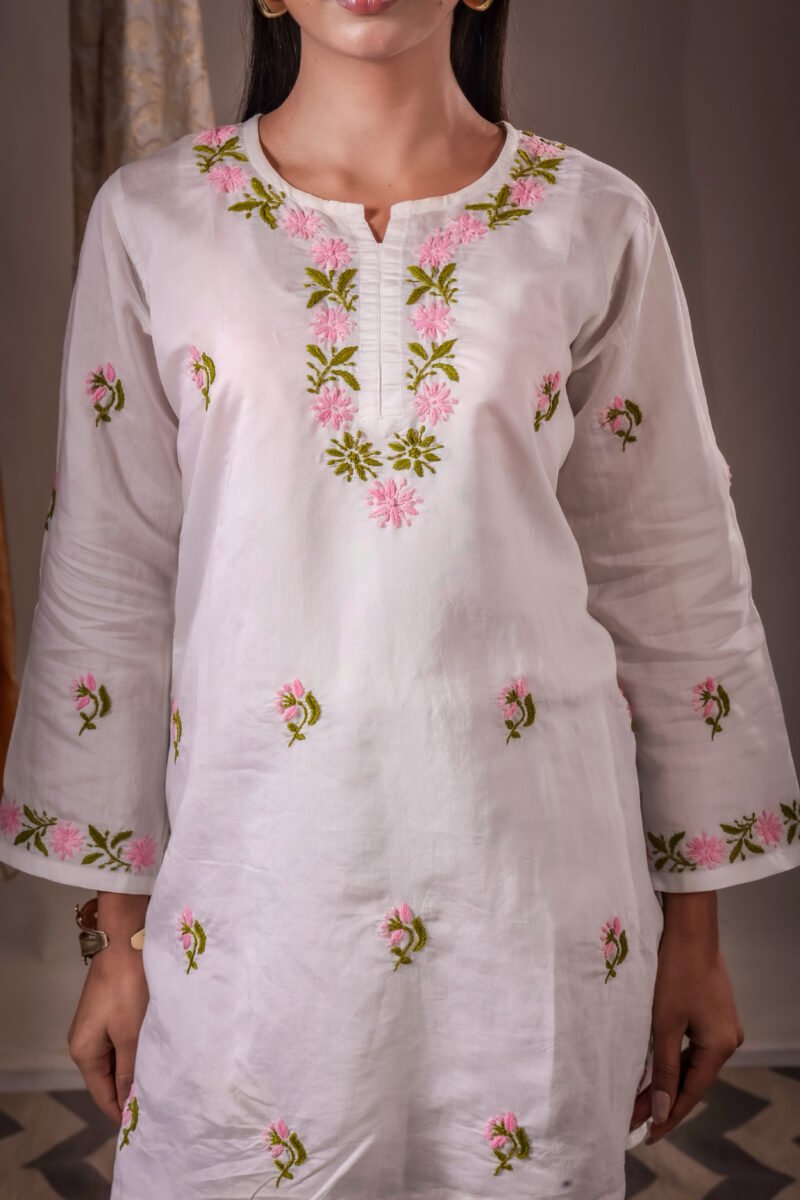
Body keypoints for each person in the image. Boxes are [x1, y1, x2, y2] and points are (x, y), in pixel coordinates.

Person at [2, 0, 799, 1196]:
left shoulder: (591, 221)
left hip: (531, 909)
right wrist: (114, 940)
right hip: (255, 900)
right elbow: (112, 571)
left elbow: (670, 571)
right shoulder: (156, 219)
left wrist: (695, 933)